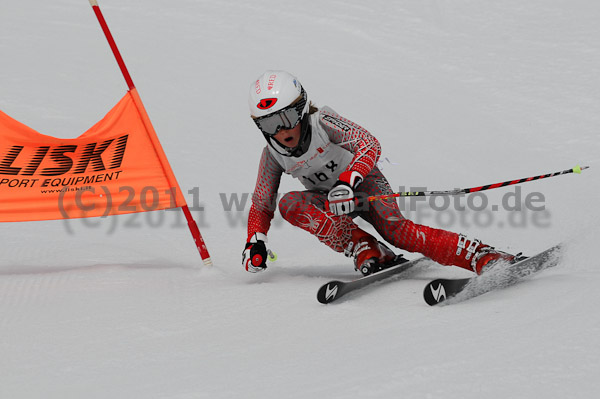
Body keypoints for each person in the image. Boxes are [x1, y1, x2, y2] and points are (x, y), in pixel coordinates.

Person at [242, 70, 517, 275]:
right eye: (269, 125)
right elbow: (261, 204)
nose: (281, 131)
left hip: (366, 187)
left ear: (302, 110)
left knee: (399, 233)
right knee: (290, 203)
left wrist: (348, 182)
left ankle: (481, 255)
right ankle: (364, 246)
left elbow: (368, 143)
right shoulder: (272, 155)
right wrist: (256, 240)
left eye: (286, 118)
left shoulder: (323, 122)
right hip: (331, 203)